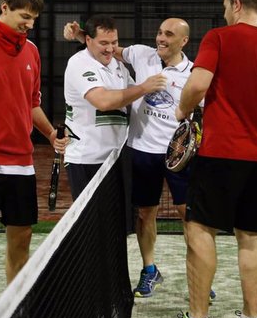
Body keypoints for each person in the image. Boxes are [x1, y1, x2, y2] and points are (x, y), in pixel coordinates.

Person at [157, 0, 257, 318]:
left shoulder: (219, 37)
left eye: (226, 6)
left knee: (199, 231)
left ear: (236, 5)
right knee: (253, 237)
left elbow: (197, 84)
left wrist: (182, 110)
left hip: (221, 154)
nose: (225, 12)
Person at [63, 16, 199, 297]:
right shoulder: (141, 54)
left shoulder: (194, 74)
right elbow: (111, 48)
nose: (161, 38)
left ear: (183, 41)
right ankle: (149, 270)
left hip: (176, 156)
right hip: (141, 151)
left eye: (169, 35)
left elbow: (203, 114)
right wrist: (81, 37)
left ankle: (198, 276)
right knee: (145, 213)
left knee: (191, 218)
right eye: (159, 32)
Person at [0, 0, 67, 303]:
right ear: (4, 7)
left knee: (21, 238)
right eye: (24, 17)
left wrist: (49, 133)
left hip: (21, 163)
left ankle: (15, 303)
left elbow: (31, 102)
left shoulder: (31, 51)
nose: (29, 25)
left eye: (34, 19)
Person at [62, 15, 165, 201]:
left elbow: (133, 98)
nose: (110, 48)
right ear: (88, 40)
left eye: (114, 42)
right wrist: (144, 87)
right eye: (103, 43)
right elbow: (103, 101)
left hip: (115, 157)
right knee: (92, 224)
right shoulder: (79, 63)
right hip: (87, 158)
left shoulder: (118, 66)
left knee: (114, 226)